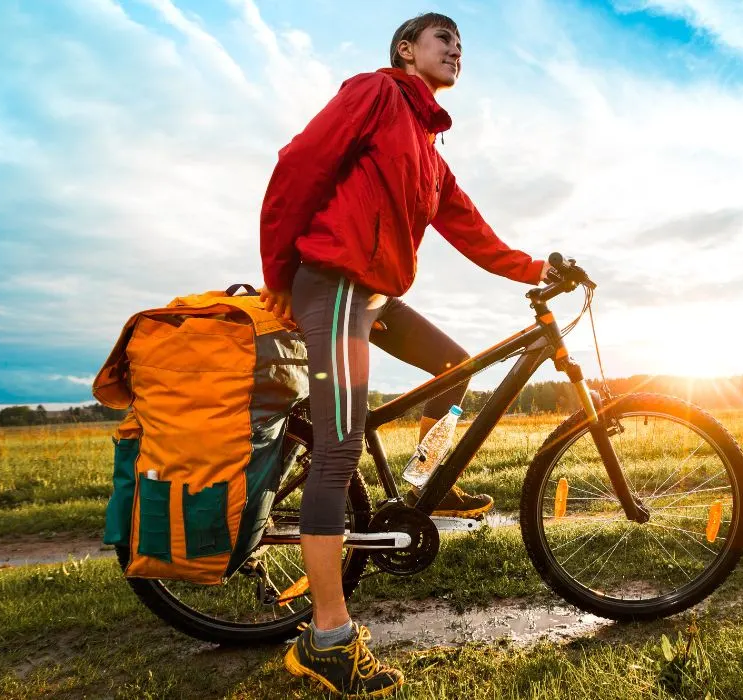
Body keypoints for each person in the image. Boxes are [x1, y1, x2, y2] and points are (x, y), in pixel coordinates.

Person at [257, 12, 550, 698]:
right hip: (330, 284)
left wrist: (539, 268)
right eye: (442, 39)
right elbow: (296, 166)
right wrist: (279, 278)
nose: (455, 50)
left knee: (457, 366)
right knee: (337, 453)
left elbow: (473, 231)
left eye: (462, 44)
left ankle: (423, 484)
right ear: (406, 50)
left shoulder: (428, 150)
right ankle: (327, 639)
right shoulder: (376, 94)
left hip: (375, 296)